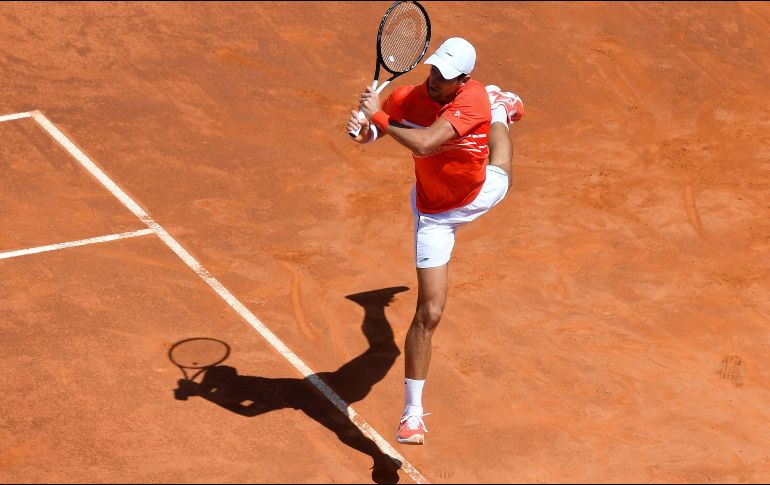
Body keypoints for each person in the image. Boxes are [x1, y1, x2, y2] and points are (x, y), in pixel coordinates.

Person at [347, 37, 524, 445]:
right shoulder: (410, 95)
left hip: (476, 194)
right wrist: (363, 129)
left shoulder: (470, 101)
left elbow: (425, 143)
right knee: (429, 313)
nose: (434, 81)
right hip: (434, 216)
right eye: (433, 71)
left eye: (444, 78)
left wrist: (380, 119)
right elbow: (376, 133)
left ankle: (502, 109)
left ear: (462, 80)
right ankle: (412, 415)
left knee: (502, 164)